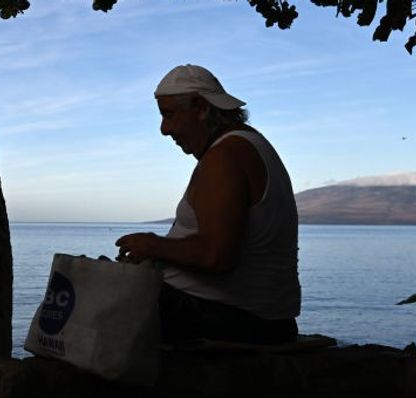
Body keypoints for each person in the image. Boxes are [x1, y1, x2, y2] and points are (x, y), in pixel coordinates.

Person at [115, 64, 300, 345]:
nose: (164, 129)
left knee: (93, 294)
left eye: (169, 115)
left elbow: (216, 256)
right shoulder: (248, 145)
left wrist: (152, 246)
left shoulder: (225, 156)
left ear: (201, 107)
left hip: (229, 318)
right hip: (260, 316)